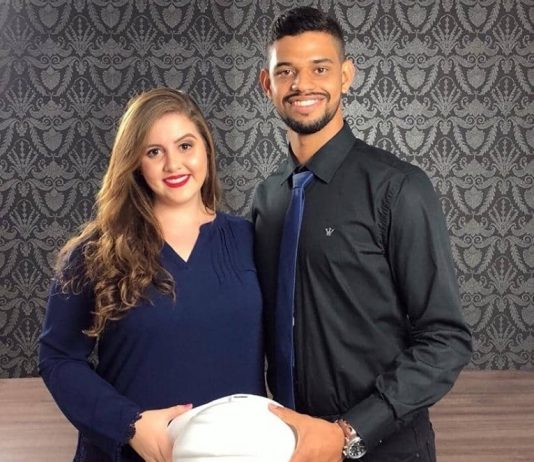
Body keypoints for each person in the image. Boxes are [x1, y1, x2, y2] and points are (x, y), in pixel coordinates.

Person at [252, 7, 472, 462]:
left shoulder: (399, 188)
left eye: (320, 68)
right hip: (288, 444)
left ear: (346, 76)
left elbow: (446, 339)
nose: (302, 84)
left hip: (384, 446)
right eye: (286, 71)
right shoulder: (267, 198)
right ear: (267, 84)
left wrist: (348, 433)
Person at [39, 88, 266, 462]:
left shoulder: (250, 240)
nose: (173, 164)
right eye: (154, 152)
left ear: (206, 149)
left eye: (185, 146)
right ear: (135, 163)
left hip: (235, 452)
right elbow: (58, 358)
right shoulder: (94, 251)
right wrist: (129, 425)